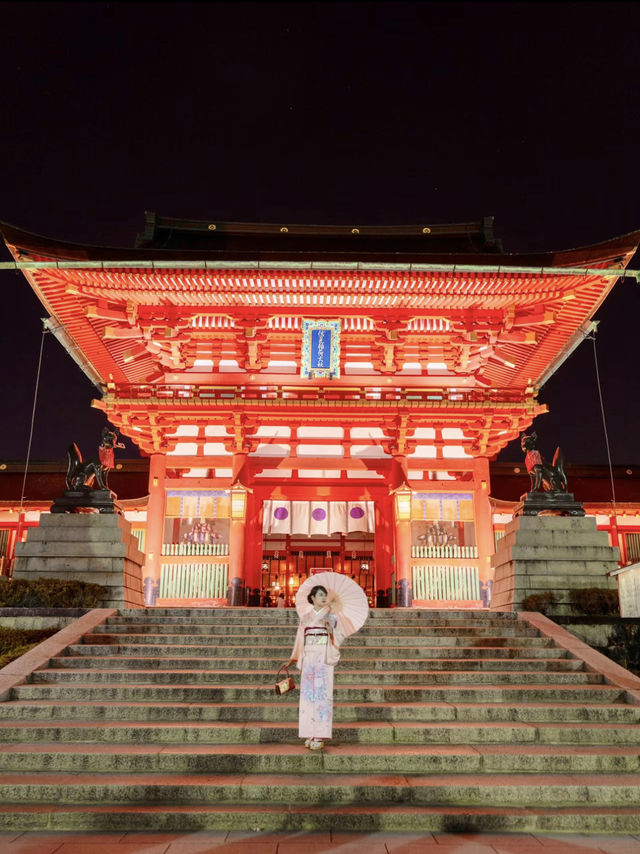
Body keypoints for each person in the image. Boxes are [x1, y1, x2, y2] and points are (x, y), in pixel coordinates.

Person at [286, 584, 344, 751]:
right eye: (319, 594)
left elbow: (339, 635)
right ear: (312, 598)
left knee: (322, 695)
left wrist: (331, 626)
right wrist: (294, 658)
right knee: (308, 696)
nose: (323, 597)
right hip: (309, 657)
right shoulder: (305, 617)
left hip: (323, 658)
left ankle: (320, 734)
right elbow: (299, 639)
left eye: (325, 594)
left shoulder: (331, 616)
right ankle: (309, 733)